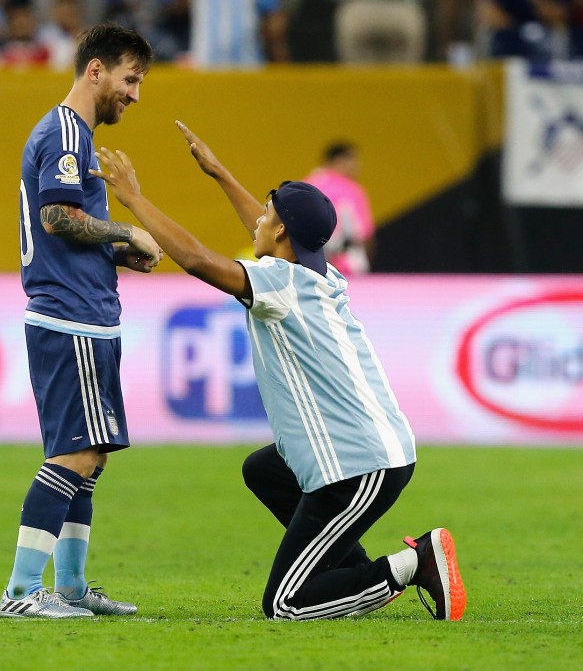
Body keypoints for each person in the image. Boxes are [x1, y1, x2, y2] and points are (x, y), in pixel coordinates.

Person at [90, 122, 467, 621]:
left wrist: (134, 198)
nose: (258, 222)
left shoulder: (281, 282)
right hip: (370, 450)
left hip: (358, 465)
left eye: (268, 215)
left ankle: (411, 565)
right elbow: (269, 230)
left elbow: (200, 260)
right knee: (264, 470)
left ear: (284, 230)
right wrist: (221, 175)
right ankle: (345, 569)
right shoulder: (317, 271)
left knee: (286, 605)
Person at [1, 23, 161, 620]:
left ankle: (69, 586)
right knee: (73, 455)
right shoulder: (66, 133)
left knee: (89, 456)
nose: (135, 94)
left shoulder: (72, 134)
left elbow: (67, 230)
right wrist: (126, 228)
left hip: (83, 310)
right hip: (70, 318)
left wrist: (118, 254)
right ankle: (21, 592)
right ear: (95, 70)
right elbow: (56, 218)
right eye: (131, 79)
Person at [303, 141, 375, 275]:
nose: (357, 167)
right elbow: (363, 234)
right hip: (346, 266)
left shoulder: (305, 186)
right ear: (339, 161)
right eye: (353, 161)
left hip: (308, 265)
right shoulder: (351, 190)